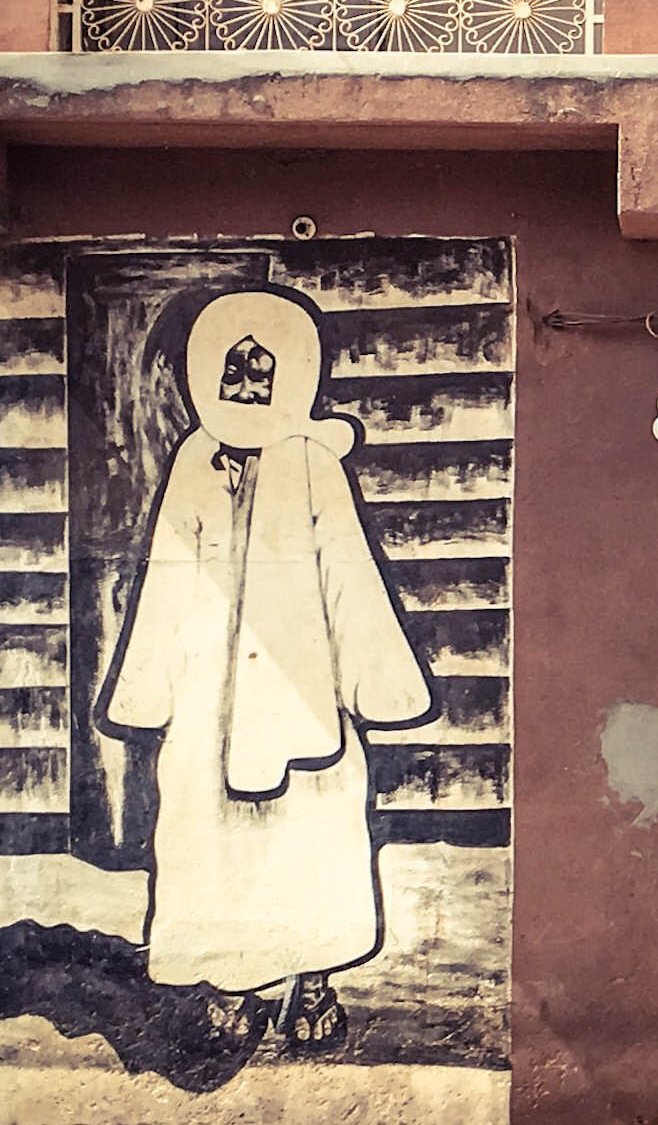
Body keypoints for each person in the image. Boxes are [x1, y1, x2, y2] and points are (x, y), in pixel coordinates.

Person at [99, 287, 436, 1053]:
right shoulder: (192, 462)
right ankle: (233, 976)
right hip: (208, 698)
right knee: (210, 832)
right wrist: (151, 688)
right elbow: (166, 576)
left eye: (263, 373)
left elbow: (351, 579)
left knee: (310, 830)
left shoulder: (315, 465)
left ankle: (313, 975)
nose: (247, 389)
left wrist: (374, 684)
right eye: (234, 373)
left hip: (301, 687)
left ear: (292, 377)